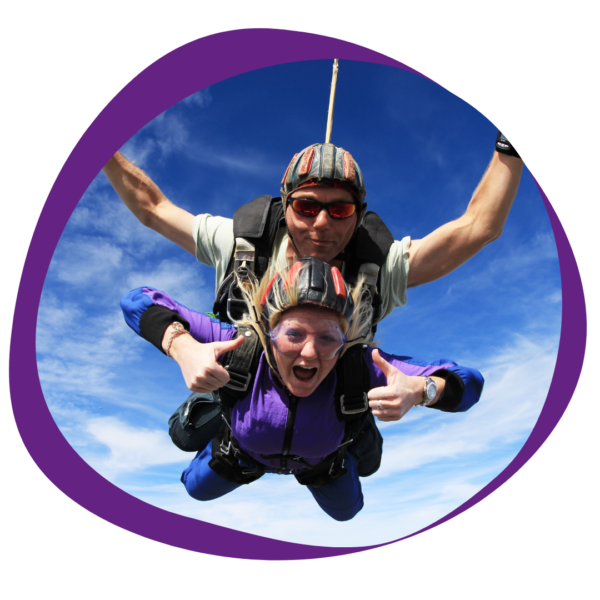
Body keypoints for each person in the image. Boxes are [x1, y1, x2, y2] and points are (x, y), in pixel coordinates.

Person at [105, 132, 522, 393]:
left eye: (340, 211)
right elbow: (151, 208)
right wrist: (183, 348)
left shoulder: (377, 265)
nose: (321, 223)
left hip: (331, 396)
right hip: (244, 385)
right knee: (202, 477)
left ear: (359, 215)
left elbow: (479, 227)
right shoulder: (243, 243)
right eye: (306, 206)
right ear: (285, 207)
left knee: (345, 503)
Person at [120, 257, 484, 521]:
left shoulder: (360, 363)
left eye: (328, 337)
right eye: (293, 333)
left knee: (348, 514)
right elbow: (137, 300)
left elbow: (468, 384)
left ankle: (353, 433)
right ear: (267, 332)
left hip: (322, 465)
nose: (309, 352)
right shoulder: (238, 344)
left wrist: (421, 390)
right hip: (242, 455)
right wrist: (181, 346)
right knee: (194, 490)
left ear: (345, 340)